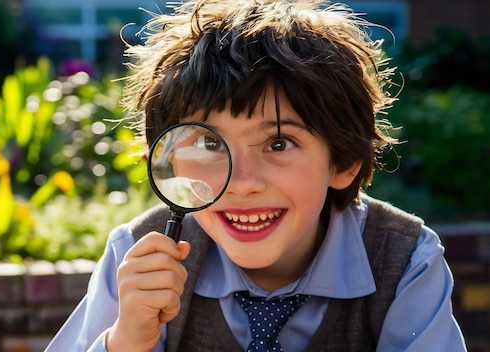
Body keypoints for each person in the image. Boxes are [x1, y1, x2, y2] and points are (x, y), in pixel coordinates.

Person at [46, 0, 467, 351]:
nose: (242, 182)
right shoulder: (136, 258)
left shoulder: (406, 260)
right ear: (170, 160)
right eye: (209, 144)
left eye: (279, 144)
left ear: (343, 161)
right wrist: (123, 342)